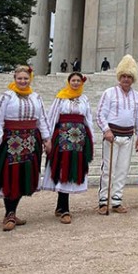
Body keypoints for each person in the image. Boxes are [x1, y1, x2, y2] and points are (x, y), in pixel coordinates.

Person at [0, 66, 52, 231]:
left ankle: (13, 212)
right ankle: (9, 214)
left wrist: (46, 138)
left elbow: (41, 119)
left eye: (25, 78)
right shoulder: (7, 96)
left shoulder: (36, 97)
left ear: (30, 79)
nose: (22, 81)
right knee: (10, 176)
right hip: (10, 141)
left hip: (30, 141)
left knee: (23, 177)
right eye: (19, 78)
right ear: (14, 79)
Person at [42, 71, 94, 224]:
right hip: (63, 137)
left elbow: (88, 118)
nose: (76, 83)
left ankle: (60, 206)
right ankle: (65, 209)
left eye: (78, 80)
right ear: (69, 81)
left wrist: (90, 139)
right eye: (73, 80)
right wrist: (49, 139)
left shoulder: (84, 99)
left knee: (72, 170)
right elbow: (52, 117)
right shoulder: (61, 97)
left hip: (79, 139)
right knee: (63, 168)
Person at [96, 55, 138, 214]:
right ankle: (104, 201)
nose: (126, 79)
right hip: (112, 136)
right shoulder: (109, 93)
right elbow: (100, 114)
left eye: (129, 77)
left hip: (128, 136)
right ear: (119, 77)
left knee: (123, 169)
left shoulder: (136, 96)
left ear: (133, 79)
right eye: (123, 76)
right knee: (107, 170)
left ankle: (116, 200)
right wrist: (106, 130)